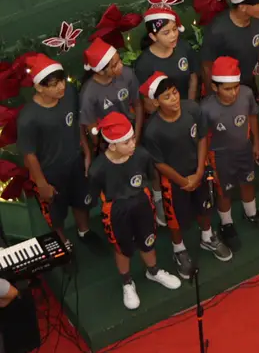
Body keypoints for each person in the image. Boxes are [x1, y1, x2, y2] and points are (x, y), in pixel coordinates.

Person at [140, 72, 232, 280]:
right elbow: (159, 163)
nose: (174, 99)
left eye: (174, 93)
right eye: (167, 97)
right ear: (156, 102)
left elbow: (202, 138)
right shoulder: (152, 130)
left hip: (198, 170)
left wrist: (199, 172)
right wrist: (183, 181)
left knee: (205, 206)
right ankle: (179, 249)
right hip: (174, 181)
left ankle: (207, 236)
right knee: (175, 218)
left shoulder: (192, 109)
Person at [88, 112, 182, 310]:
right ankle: (127, 282)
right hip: (116, 211)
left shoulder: (141, 155)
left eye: (132, 139)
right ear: (112, 145)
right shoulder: (97, 169)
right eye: (127, 142)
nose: (133, 144)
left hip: (142, 202)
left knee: (148, 240)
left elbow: (149, 176)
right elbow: (95, 194)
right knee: (123, 247)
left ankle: (153, 271)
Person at [18, 54, 99, 247]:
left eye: (62, 81)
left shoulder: (69, 93)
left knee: (82, 201)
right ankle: (63, 244)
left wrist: (86, 151)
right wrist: (42, 183)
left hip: (75, 162)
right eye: (54, 85)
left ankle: (84, 231)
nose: (61, 87)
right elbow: (29, 154)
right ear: (39, 87)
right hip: (50, 172)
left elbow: (76, 122)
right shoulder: (28, 118)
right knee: (56, 214)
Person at [202, 56, 259, 250]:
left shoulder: (246, 94)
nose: (233, 93)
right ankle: (226, 223)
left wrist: (257, 141)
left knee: (247, 182)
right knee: (224, 191)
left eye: (236, 87)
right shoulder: (206, 109)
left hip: (244, 150)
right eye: (227, 89)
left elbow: (252, 116)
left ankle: (251, 213)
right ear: (215, 87)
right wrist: (208, 163)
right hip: (220, 157)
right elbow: (203, 138)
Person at [199, 0, 259, 103]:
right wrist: (214, 98)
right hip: (226, 89)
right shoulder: (217, 30)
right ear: (243, 7)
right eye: (258, 3)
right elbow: (207, 66)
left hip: (249, 83)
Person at [80, 37, 143, 140]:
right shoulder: (88, 94)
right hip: (109, 137)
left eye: (119, 60)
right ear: (100, 71)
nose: (121, 65)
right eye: (115, 65)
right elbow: (91, 127)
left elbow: (138, 104)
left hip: (131, 129)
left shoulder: (127, 74)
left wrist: (137, 135)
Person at [134, 7, 199, 102]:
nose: (173, 35)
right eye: (166, 33)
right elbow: (147, 100)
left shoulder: (183, 47)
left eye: (175, 29)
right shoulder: (144, 64)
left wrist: (190, 104)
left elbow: (193, 78)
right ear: (153, 36)